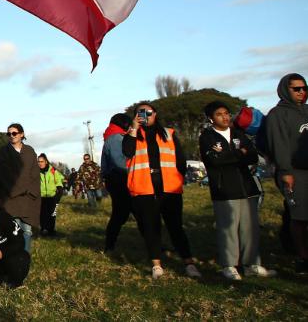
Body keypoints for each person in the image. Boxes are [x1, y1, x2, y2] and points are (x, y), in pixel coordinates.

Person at [122, 102, 201, 279]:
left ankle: (189, 263)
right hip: (144, 189)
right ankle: (156, 265)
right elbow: (127, 152)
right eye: (140, 113)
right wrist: (133, 129)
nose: (145, 116)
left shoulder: (169, 133)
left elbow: (180, 160)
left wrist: (179, 179)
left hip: (169, 188)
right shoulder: (131, 135)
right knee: (151, 228)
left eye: (148, 112)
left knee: (176, 227)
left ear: (155, 114)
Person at [198, 102, 275, 280]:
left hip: (247, 187)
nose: (225, 117)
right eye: (219, 114)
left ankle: (251, 264)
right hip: (224, 189)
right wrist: (240, 153)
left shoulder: (239, 134)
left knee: (250, 228)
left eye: (227, 113)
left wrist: (233, 155)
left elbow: (253, 156)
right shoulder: (207, 137)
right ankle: (229, 265)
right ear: (211, 118)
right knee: (228, 229)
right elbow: (216, 161)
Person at [265, 73, 308, 273]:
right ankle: (302, 257)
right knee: (299, 216)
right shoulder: (277, 114)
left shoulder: (306, 110)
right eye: (296, 89)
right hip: (294, 171)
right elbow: (279, 145)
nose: (302, 92)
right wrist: (285, 171)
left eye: (304, 88)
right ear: (285, 90)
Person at [0, 124, 38, 252]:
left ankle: (25, 257)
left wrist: (29, 189)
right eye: (9, 134)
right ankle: (14, 257)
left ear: (22, 134)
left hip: (27, 197)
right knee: (13, 230)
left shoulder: (29, 151)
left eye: (14, 133)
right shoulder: (3, 151)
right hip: (10, 197)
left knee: (27, 231)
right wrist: (14, 190)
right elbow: (2, 174)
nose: (11, 136)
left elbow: (34, 174)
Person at [100, 113, 133, 252]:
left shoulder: (113, 136)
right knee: (121, 213)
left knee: (123, 213)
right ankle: (109, 245)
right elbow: (120, 162)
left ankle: (110, 244)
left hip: (118, 179)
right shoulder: (115, 138)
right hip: (120, 179)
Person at [36, 154, 64, 237]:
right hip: (41, 197)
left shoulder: (52, 170)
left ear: (46, 162)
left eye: (41, 161)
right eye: (38, 162)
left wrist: (59, 191)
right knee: (42, 214)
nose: (40, 163)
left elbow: (59, 180)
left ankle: (51, 230)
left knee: (52, 214)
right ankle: (44, 229)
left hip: (52, 196)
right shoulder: (35, 171)